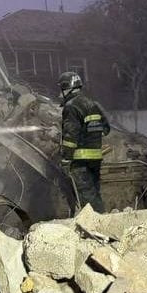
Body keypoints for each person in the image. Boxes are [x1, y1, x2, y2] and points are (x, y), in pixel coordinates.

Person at [58, 70, 109, 212]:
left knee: (87, 199)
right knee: (94, 194)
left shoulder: (71, 106)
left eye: (61, 89)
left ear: (67, 88)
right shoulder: (92, 104)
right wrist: (92, 136)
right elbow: (106, 128)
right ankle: (100, 222)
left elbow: (70, 136)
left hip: (79, 160)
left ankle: (97, 227)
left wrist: (65, 160)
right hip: (96, 159)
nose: (60, 93)